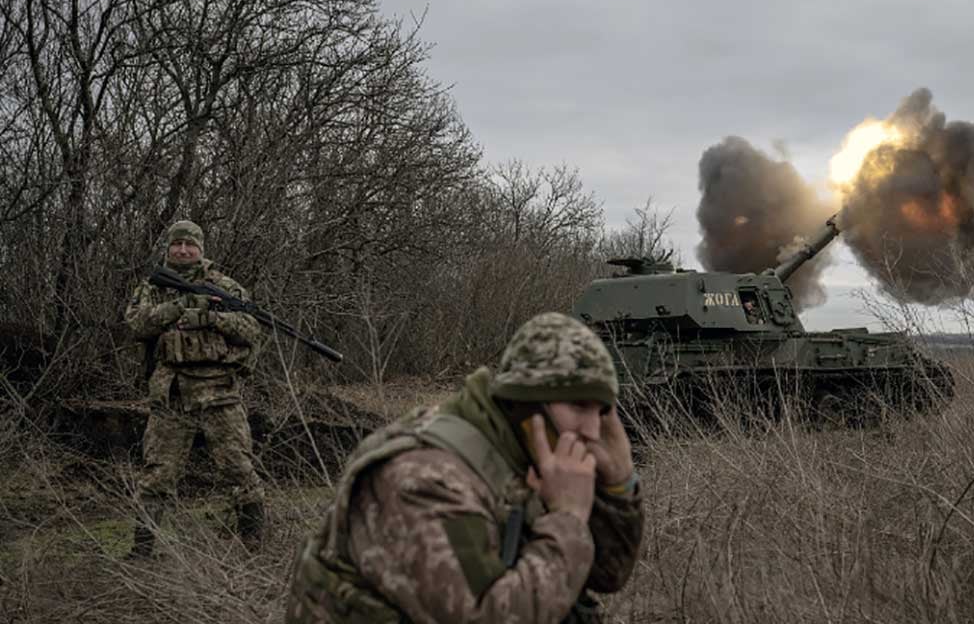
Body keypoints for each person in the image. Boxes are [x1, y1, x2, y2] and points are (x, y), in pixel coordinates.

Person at [286, 312, 644, 624]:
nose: (593, 430)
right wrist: (567, 518)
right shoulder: (423, 478)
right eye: (579, 407)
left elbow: (606, 574)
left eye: (601, 411)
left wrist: (618, 483)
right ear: (526, 405)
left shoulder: (527, 453)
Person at [123, 220, 265, 557]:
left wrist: (212, 318)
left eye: (191, 245)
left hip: (220, 391)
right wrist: (178, 308)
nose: (184, 250)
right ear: (169, 248)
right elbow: (136, 324)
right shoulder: (152, 287)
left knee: (238, 467)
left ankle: (253, 545)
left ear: (201, 249)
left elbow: (251, 329)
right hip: (171, 393)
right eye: (178, 244)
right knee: (158, 474)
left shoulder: (223, 286)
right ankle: (141, 551)